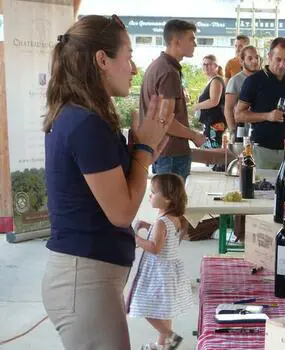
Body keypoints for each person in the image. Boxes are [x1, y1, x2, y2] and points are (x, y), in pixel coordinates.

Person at [41, 14, 173, 349]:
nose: (133, 67)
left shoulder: (81, 116)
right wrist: (141, 153)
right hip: (84, 279)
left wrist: (141, 155)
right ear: (102, 59)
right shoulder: (86, 123)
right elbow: (121, 212)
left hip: (88, 276)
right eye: (128, 56)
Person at [128, 174, 193, 350]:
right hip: (170, 271)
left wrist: (135, 238)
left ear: (168, 199)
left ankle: (171, 337)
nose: (150, 195)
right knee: (164, 310)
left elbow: (155, 247)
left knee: (145, 308)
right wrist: (148, 227)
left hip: (158, 272)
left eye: (153, 192)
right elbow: (164, 236)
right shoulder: (174, 218)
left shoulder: (161, 222)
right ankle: (164, 346)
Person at [141, 19, 205, 181]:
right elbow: (165, 120)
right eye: (191, 39)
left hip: (162, 151)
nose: (195, 44)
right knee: (173, 205)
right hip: (171, 154)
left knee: (167, 205)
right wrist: (194, 135)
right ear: (176, 41)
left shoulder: (158, 66)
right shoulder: (168, 72)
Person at [235, 37, 285, 169]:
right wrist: (267, 116)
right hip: (261, 149)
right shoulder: (254, 81)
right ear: (270, 56)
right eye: (278, 59)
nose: (282, 64)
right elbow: (239, 115)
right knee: (261, 188)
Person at [224, 45, 260, 142]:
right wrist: (232, 131)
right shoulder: (235, 80)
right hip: (242, 130)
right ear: (242, 61)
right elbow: (228, 108)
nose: (255, 61)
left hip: (261, 130)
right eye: (250, 58)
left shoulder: (264, 78)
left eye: (256, 57)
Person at [193, 54, 226, 149]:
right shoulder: (211, 80)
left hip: (215, 122)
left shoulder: (216, 81)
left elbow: (214, 101)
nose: (206, 67)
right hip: (210, 122)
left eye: (209, 64)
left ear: (216, 66)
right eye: (204, 64)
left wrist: (197, 106)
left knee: (212, 151)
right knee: (207, 149)